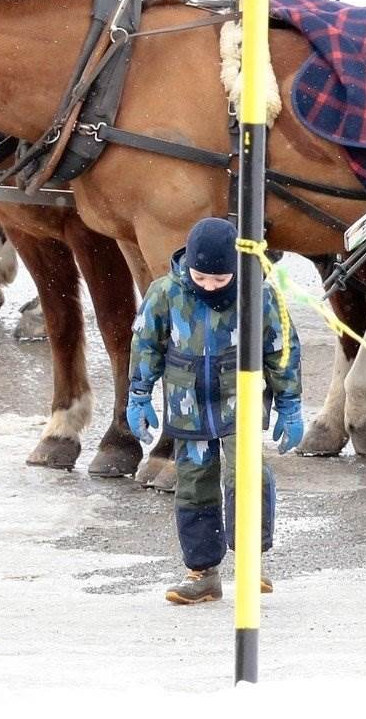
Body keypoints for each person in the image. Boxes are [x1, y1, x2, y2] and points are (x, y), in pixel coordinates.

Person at [126, 217, 303, 604]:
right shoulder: (165, 294)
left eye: (219, 280)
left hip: (239, 402)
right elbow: (145, 345)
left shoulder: (260, 296)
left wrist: (289, 403)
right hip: (187, 408)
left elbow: (282, 351)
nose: (208, 287)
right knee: (193, 486)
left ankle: (251, 562)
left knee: (247, 476)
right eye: (200, 277)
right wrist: (138, 394)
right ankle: (202, 572)